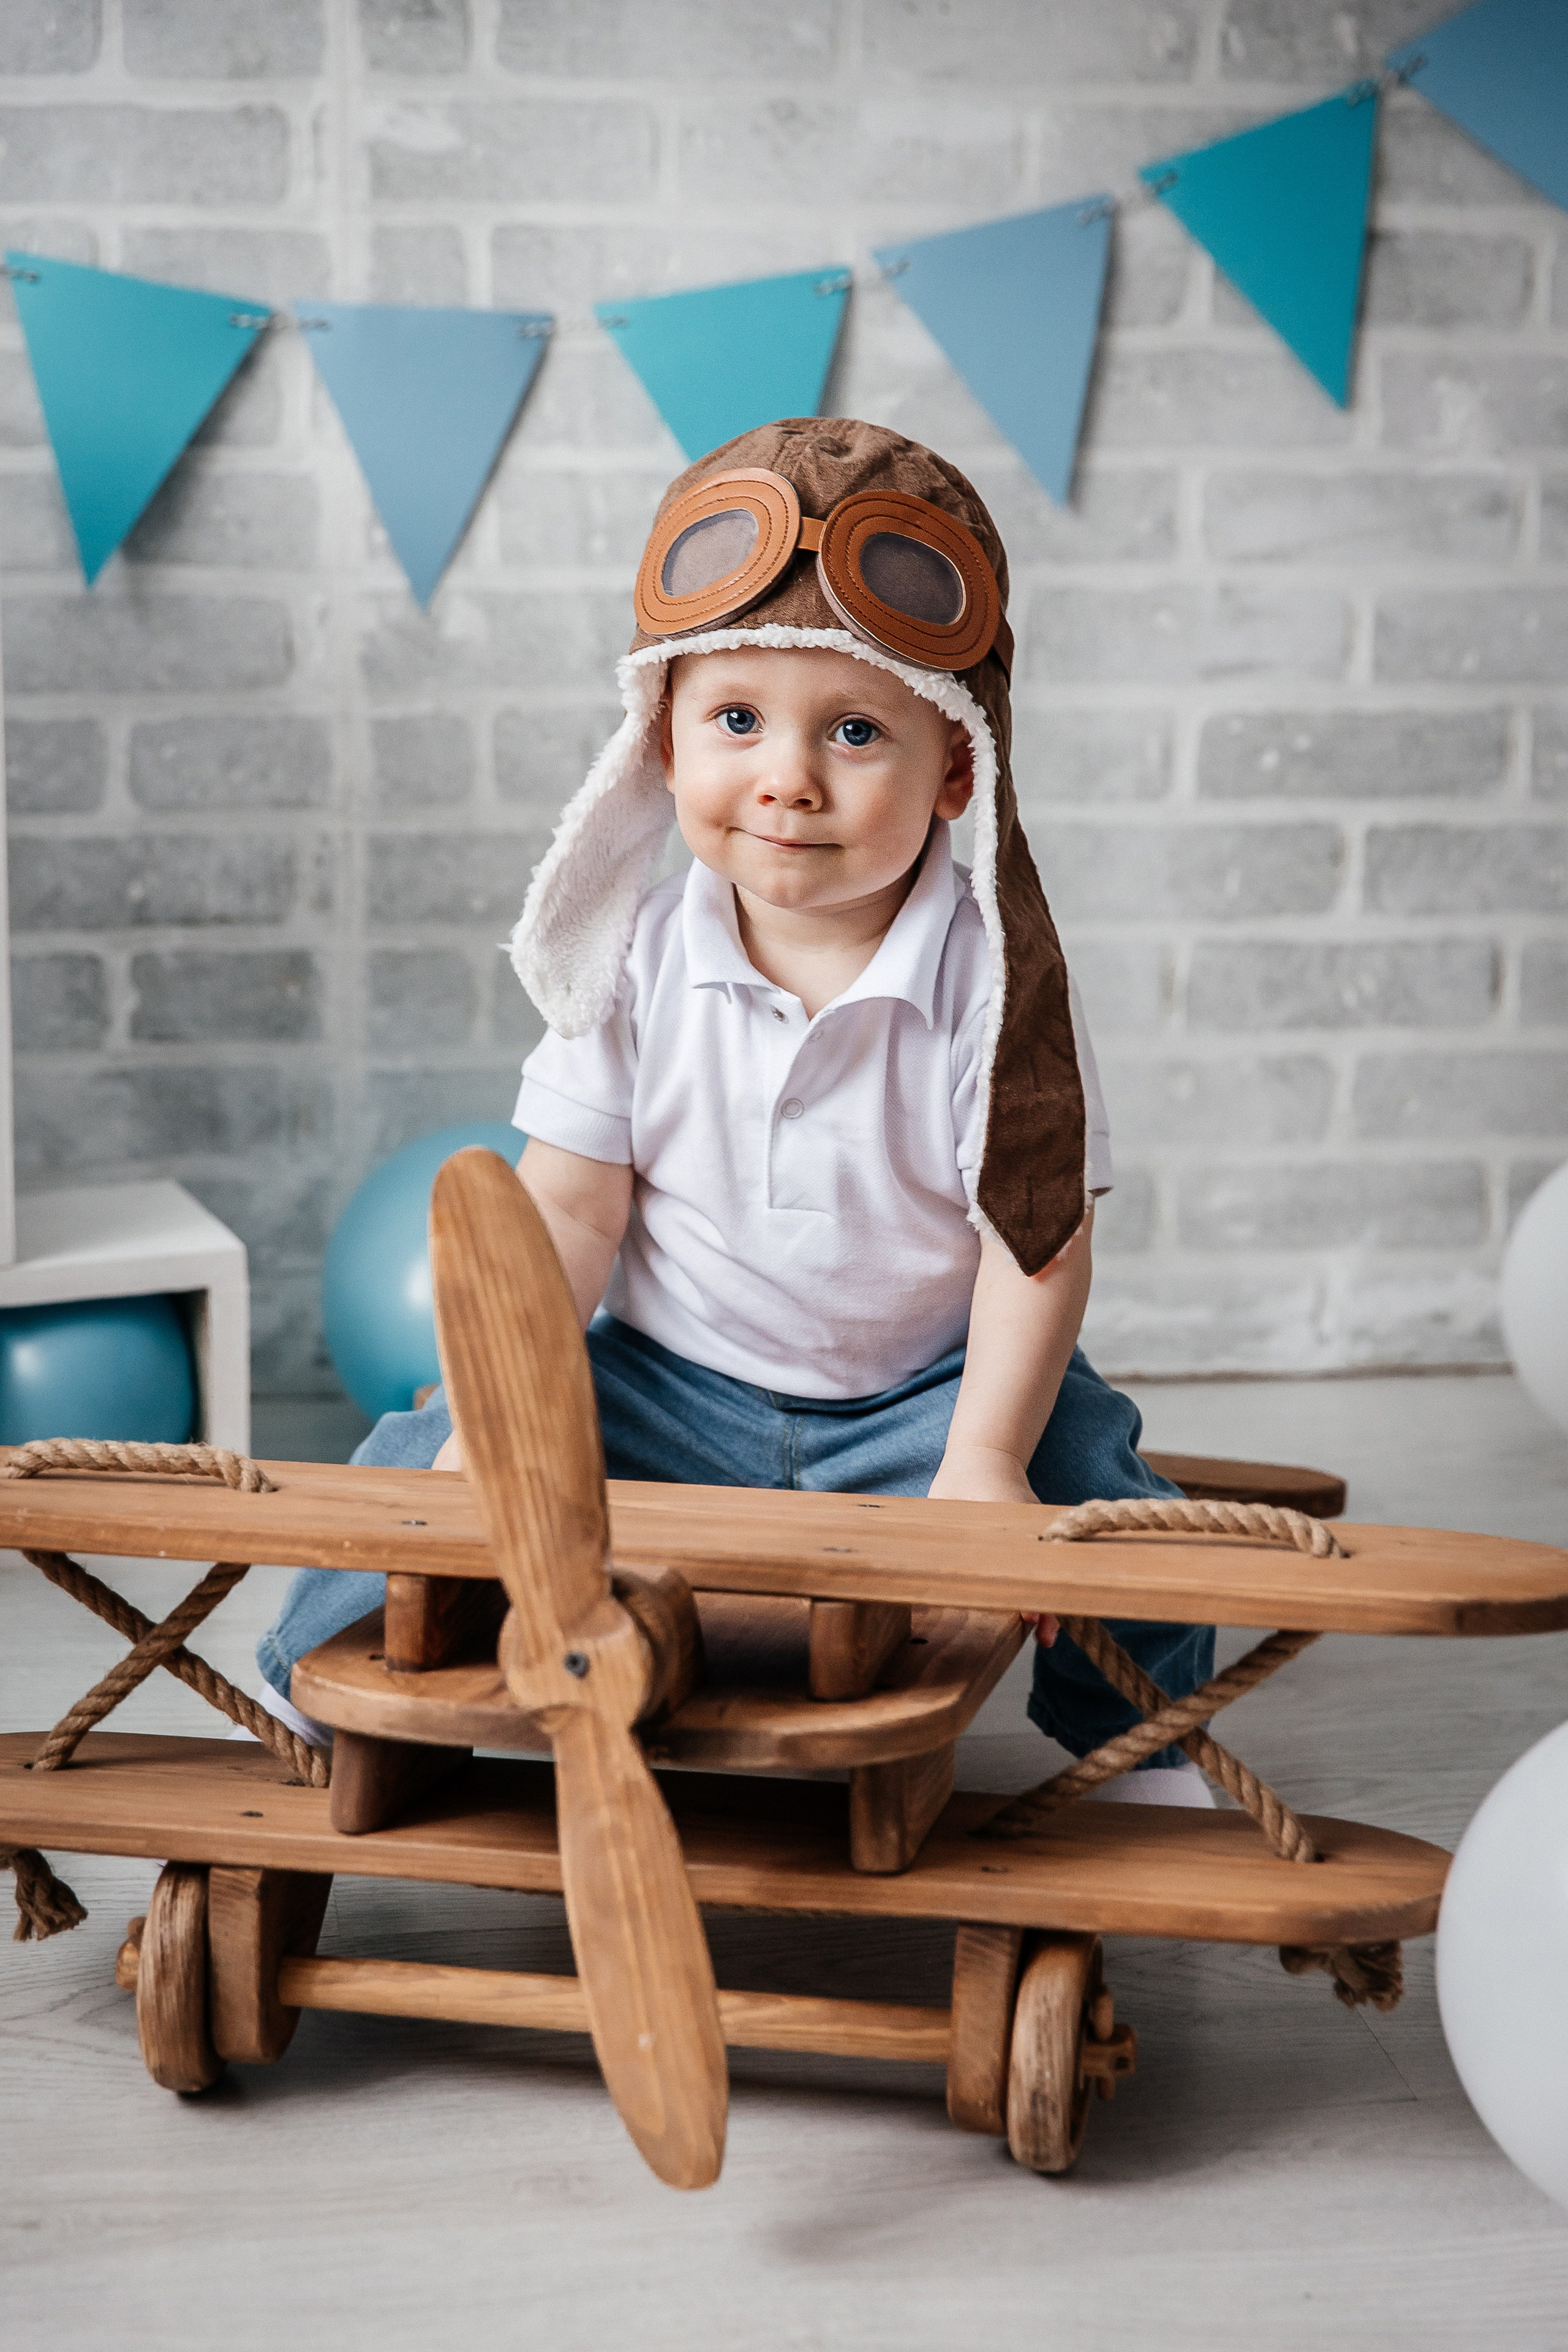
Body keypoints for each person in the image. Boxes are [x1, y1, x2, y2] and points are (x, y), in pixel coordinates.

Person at [255, 418, 1214, 1801]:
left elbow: (1034, 1245)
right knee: (417, 1455)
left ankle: (1138, 1744)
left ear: (956, 770)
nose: (787, 776)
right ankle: (309, 1699)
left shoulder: (990, 985)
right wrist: (500, 1415)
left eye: (854, 729)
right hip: (665, 1388)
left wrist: (983, 1459)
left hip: (914, 1400)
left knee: (1104, 1484)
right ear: (660, 735)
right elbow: (570, 1206)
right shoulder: (641, 953)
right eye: (737, 719)